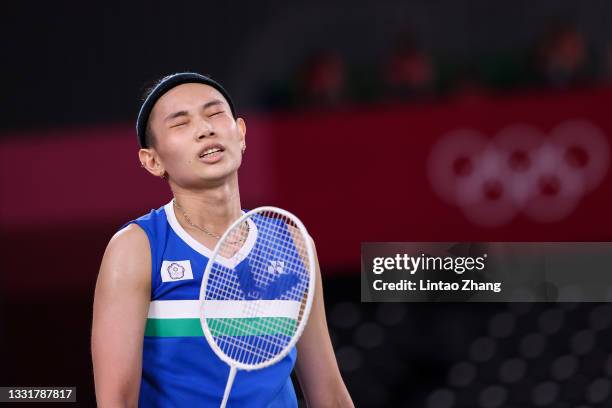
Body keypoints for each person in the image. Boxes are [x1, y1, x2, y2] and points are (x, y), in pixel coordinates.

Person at [91, 72, 354, 407]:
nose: (205, 129)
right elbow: (117, 401)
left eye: (214, 114)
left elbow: (328, 394)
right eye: (180, 123)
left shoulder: (294, 242)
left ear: (241, 134)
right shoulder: (137, 248)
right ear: (153, 161)